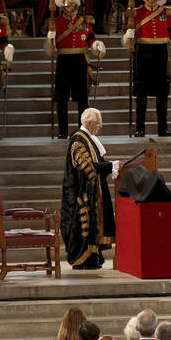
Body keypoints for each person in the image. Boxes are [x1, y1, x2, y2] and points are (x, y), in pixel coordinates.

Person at [47, 0, 105, 139]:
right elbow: (51, 49)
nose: (70, 9)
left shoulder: (85, 21)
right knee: (62, 99)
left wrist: (96, 45)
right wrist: (50, 39)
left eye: (73, 6)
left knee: (82, 99)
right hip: (64, 60)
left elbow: (91, 39)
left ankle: (84, 130)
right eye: (67, 6)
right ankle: (63, 131)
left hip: (80, 61)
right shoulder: (55, 23)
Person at [124, 0, 171, 138]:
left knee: (162, 93)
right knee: (141, 94)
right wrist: (129, 35)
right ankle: (140, 128)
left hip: (161, 54)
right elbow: (128, 37)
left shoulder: (166, 13)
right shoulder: (137, 13)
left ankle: (162, 128)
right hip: (143, 53)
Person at [60, 108, 118, 270]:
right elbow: (86, 167)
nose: (100, 127)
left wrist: (110, 165)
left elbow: (97, 162)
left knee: (93, 226)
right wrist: (111, 166)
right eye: (98, 124)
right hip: (80, 194)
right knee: (83, 227)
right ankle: (83, 258)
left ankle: (93, 256)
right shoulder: (78, 140)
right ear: (88, 123)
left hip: (89, 191)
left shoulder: (88, 139)